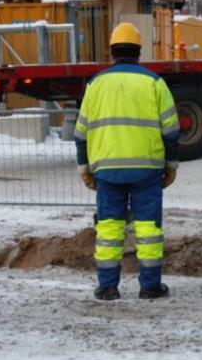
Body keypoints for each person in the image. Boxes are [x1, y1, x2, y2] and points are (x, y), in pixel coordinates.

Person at [74, 22, 180, 301]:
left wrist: (85, 169)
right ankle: (150, 286)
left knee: (109, 228)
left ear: (112, 52)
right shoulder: (154, 83)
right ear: (139, 52)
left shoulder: (95, 85)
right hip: (147, 169)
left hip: (107, 170)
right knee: (148, 228)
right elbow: (171, 131)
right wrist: (170, 167)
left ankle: (108, 287)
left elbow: (80, 133)